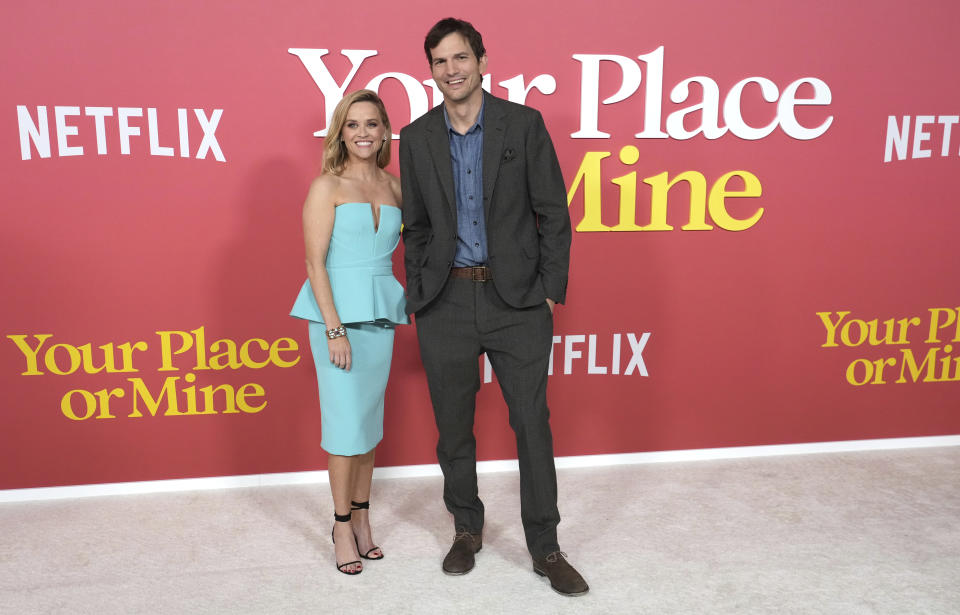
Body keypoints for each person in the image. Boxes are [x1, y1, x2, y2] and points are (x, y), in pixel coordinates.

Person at [399, 18, 588, 596]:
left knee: (532, 424)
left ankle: (545, 546)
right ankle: (466, 530)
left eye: (461, 58)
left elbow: (553, 212)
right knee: (453, 428)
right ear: (429, 70)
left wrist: (551, 288)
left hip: (518, 302)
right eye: (439, 61)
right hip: (446, 300)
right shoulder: (417, 137)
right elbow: (418, 227)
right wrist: (421, 293)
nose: (451, 70)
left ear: (482, 61)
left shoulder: (523, 125)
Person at [290, 89, 407, 576]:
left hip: (381, 316)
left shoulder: (396, 187)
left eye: (372, 124)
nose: (363, 132)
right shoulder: (326, 186)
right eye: (353, 124)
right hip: (335, 319)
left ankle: (362, 517)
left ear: (384, 132)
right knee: (344, 428)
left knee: (368, 424)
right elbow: (314, 262)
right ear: (341, 131)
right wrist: (334, 329)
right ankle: (340, 525)